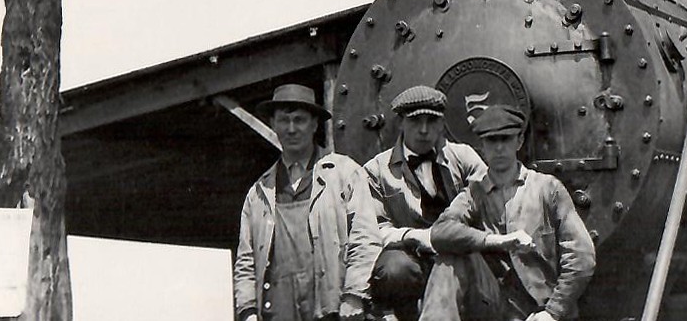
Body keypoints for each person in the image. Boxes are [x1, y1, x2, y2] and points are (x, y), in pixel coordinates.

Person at [423, 105, 595, 321]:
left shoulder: (547, 188)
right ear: (482, 146)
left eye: (505, 139)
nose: (499, 148)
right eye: (491, 141)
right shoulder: (474, 194)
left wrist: (553, 312)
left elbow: (581, 256)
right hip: (495, 306)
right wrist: (495, 241)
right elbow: (439, 232)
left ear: (519, 142)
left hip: (540, 308)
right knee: (449, 257)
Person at [233, 83, 383, 321]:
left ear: (314, 125)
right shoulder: (259, 192)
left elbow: (365, 239)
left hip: (331, 310)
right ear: (273, 124)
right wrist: (248, 310)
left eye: (300, 120)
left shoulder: (344, 173)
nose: (291, 129)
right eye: (284, 120)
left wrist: (354, 295)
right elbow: (246, 261)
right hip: (278, 312)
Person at [361, 86, 487, 320]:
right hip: (411, 256)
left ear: (441, 124)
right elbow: (375, 230)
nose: (424, 130)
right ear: (400, 123)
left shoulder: (463, 156)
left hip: (459, 251)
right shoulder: (376, 170)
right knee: (394, 269)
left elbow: (487, 196)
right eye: (415, 121)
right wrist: (417, 237)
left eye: (432, 121)